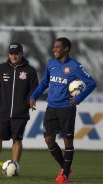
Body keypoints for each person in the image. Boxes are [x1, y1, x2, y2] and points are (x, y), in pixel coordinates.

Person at [29, 37, 96, 183]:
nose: (54, 49)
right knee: (49, 140)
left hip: (67, 109)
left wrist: (78, 98)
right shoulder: (51, 63)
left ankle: (64, 174)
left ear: (66, 49)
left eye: (57, 47)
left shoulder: (75, 66)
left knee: (68, 142)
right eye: (54, 47)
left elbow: (91, 83)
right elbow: (44, 82)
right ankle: (65, 167)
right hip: (51, 107)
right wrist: (34, 95)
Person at [0, 43, 39, 176]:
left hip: (21, 113)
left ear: (21, 54)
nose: (14, 56)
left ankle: (15, 167)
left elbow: (34, 90)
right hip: (1, 113)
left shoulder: (30, 71)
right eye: (12, 53)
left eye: (17, 53)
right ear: (8, 54)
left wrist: (27, 104)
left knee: (17, 140)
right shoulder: (0, 69)